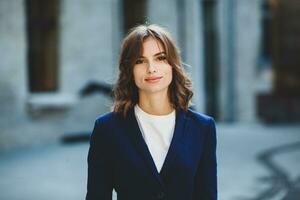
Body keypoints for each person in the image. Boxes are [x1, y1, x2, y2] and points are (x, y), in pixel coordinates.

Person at [86, 24, 217, 200]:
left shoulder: (203, 128)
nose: (151, 68)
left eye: (160, 58)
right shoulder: (107, 129)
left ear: (173, 65)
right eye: (140, 61)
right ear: (129, 70)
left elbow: (206, 195)